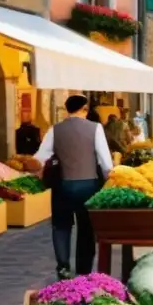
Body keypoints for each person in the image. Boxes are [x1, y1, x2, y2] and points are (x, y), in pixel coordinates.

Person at [35, 95, 113, 279]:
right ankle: (83, 269)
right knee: (86, 227)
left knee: (61, 226)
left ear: (67, 109)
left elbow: (40, 157)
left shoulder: (55, 130)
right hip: (89, 185)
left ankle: (63, 266)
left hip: (62, 185)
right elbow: (105, 161)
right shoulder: (95, 128)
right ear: (84, 108)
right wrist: (109, 179)